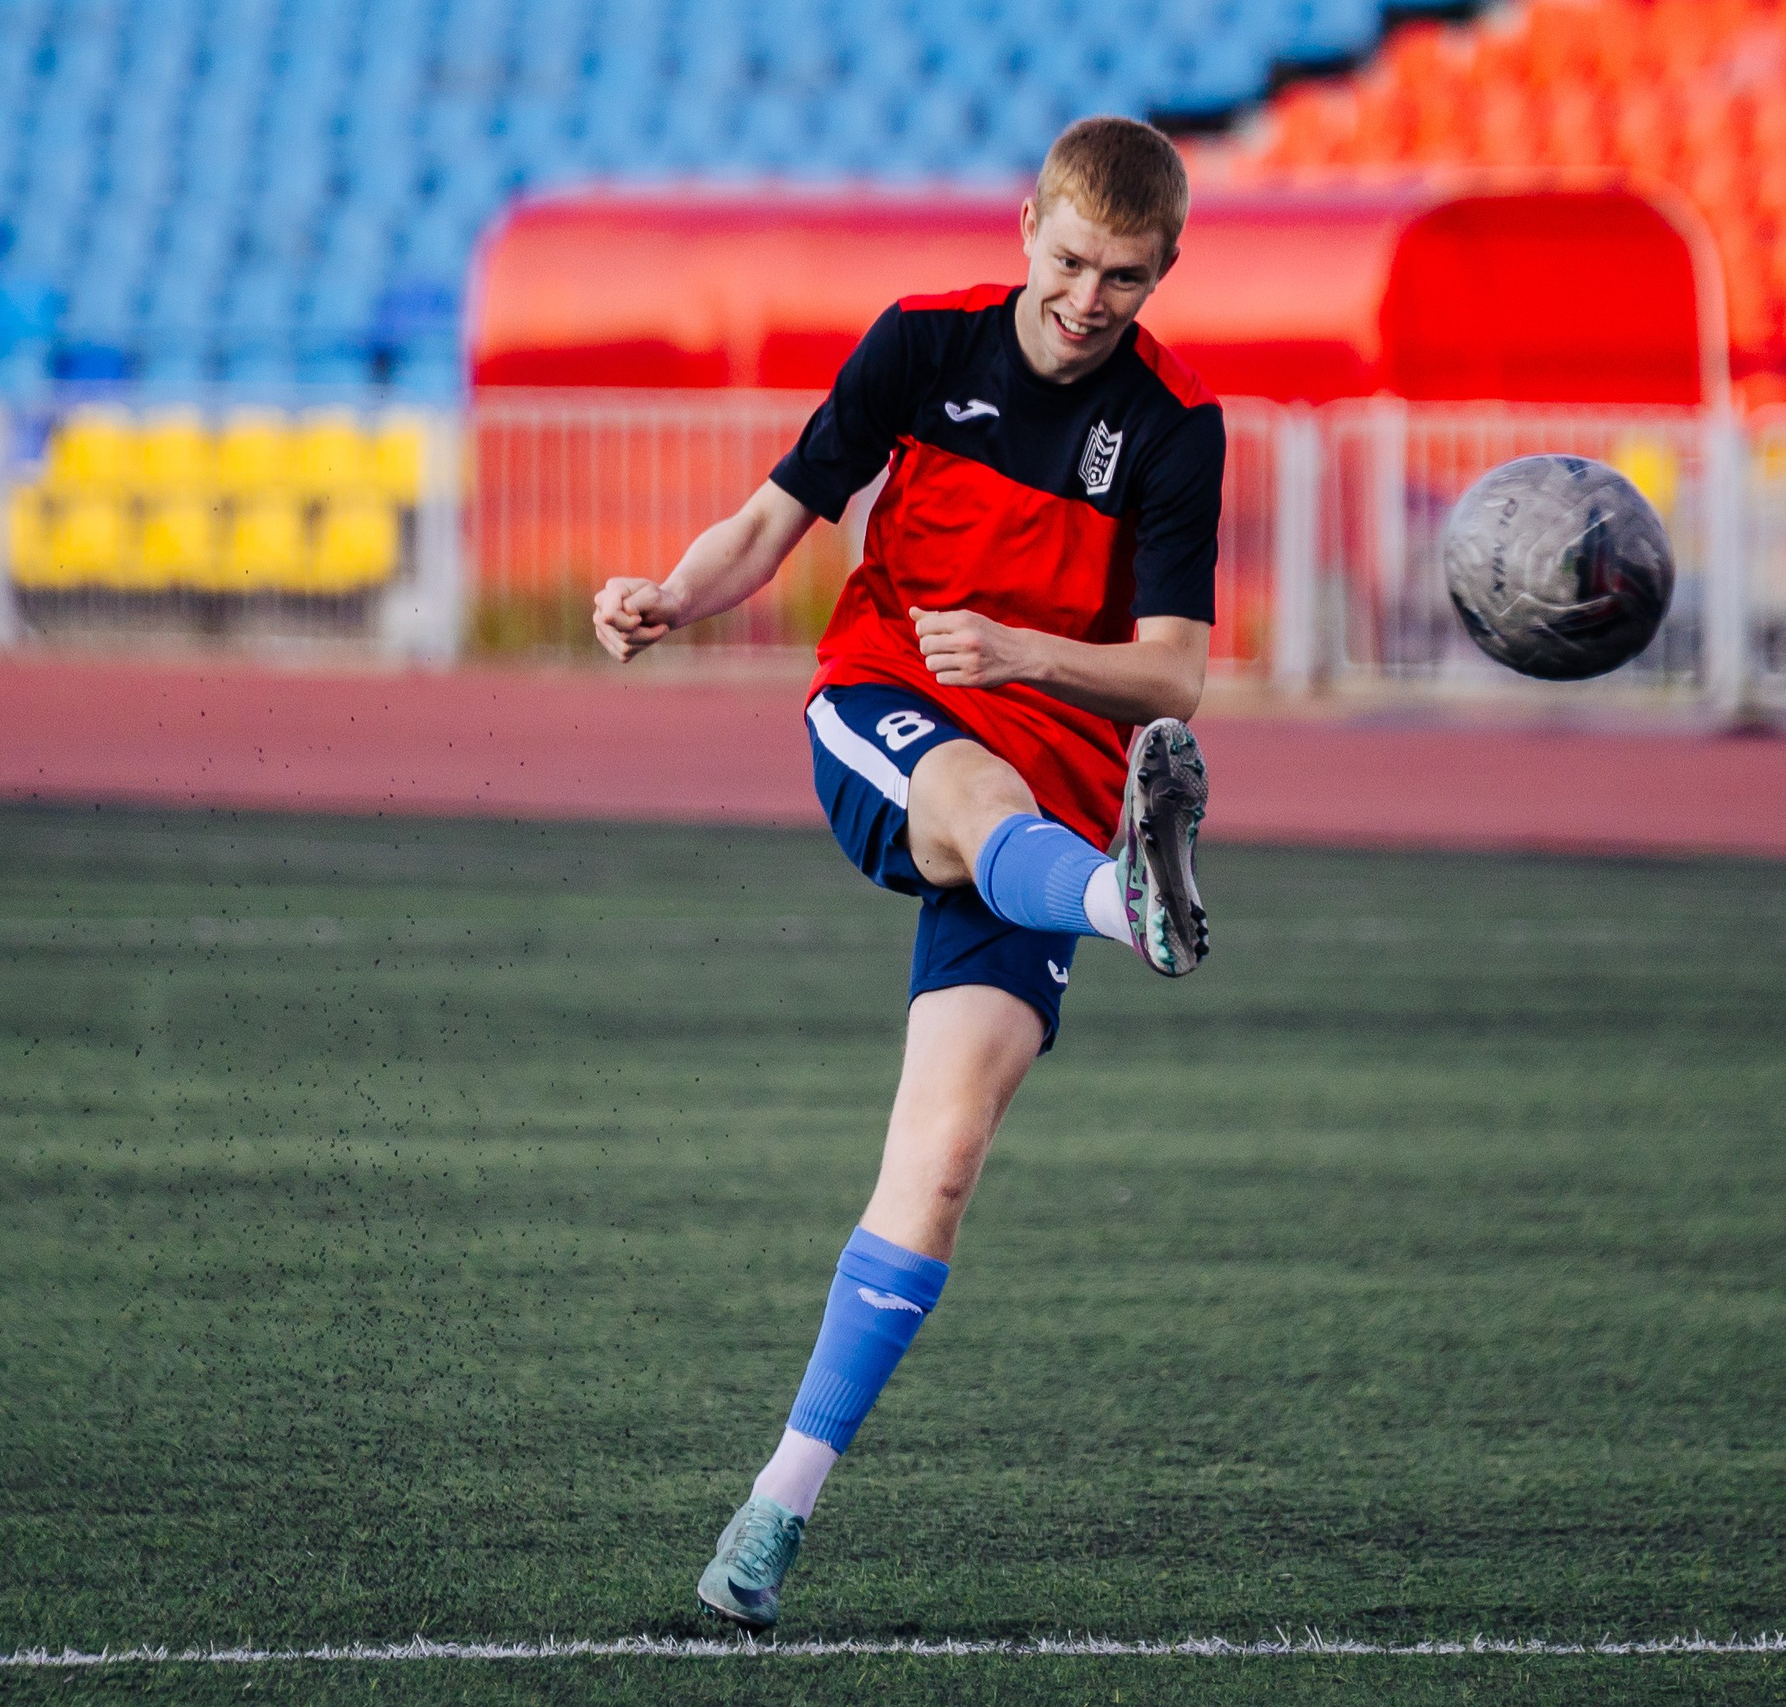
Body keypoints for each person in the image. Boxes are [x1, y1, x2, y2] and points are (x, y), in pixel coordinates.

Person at [590, 116, 1224, 1633]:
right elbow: (775, 516)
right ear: (1027, 227)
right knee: (968, 789)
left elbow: (1176, 679)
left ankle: (772, 1514)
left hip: (1064, 785)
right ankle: (1118, 902)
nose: (1090, 299)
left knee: (940, 1161)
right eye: (1072, 262)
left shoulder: (1179, 426)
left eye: (1126, 278)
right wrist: (674, 593)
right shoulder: (918, 342)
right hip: (890, 710)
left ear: (1165, 270)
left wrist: (1023, 653)